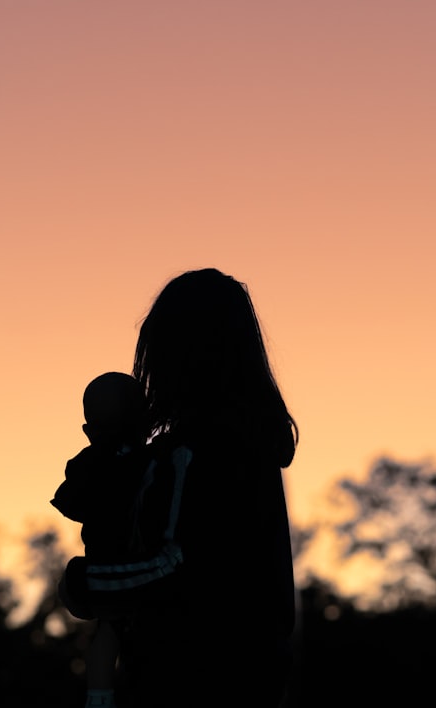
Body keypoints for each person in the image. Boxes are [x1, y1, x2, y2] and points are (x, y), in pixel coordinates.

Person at [60, 268, 299, 708]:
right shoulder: (240, 443)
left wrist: (86, 581)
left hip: (201, 684)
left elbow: (183, 565)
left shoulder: (208, 450)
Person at [51, 371, 151, 708]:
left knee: (109, 633)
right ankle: (100, 696)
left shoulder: (94, 463)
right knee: (111, 631)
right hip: (117, 563)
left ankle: (100, 696)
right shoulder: (140, 461)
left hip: (113, 563)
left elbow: (69, 501)